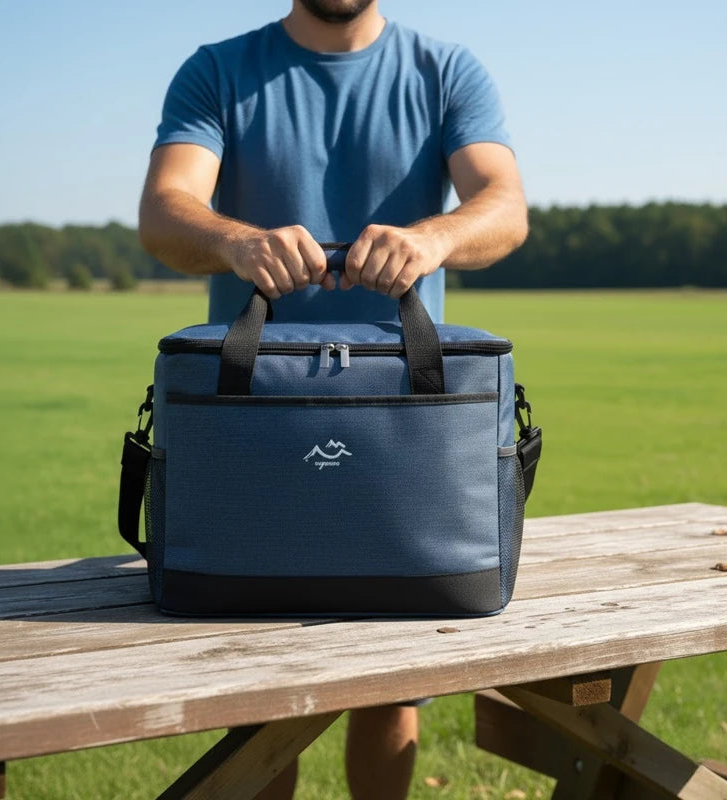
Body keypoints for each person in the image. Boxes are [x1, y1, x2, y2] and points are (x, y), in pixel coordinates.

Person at [139, 2, 528, 797]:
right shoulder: (218, 70)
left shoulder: (445, 72)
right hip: (254, 427)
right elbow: (164, 209)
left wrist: (431, 238)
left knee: (391, 692)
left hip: (402, 428)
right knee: (256, 702)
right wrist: (237, 240)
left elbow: (504, 204)